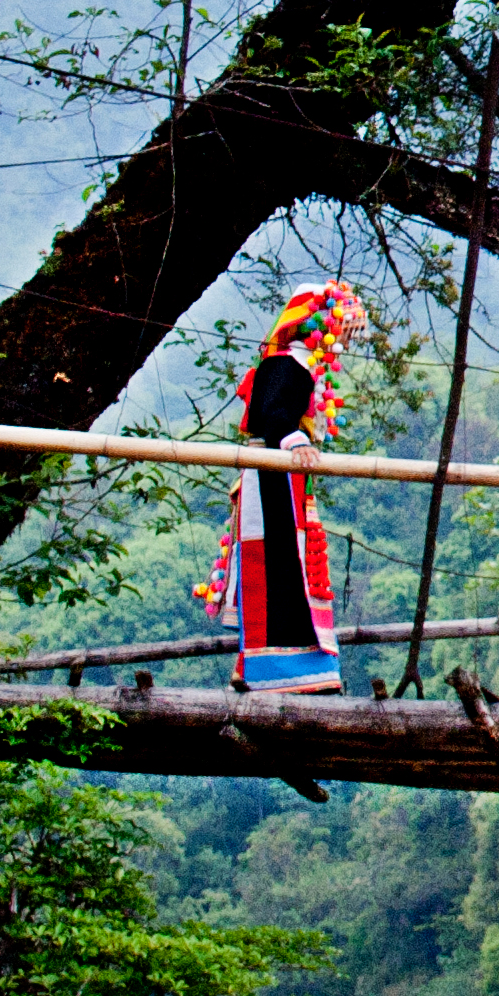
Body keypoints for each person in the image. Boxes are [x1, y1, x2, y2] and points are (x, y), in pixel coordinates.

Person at [195, 279, 368, 694]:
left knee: (289, 566)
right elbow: (270, 415)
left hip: (283, 480)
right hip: (270, 476)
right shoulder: (284, 363)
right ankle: (279, 672)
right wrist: (295, 441)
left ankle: (275, 668)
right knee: (276, 567)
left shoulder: (304, 367)